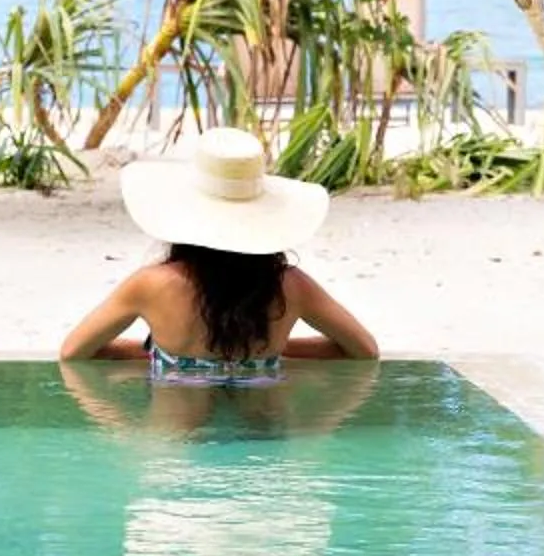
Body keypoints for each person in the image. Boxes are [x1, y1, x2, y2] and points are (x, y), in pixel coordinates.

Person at [57, 127, 379, 381]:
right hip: (266, 450)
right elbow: (364, 351)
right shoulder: (291, 286)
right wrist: (276, 350)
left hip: (174, 454)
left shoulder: (151, 285)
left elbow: (74, 353)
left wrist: (155, 352)